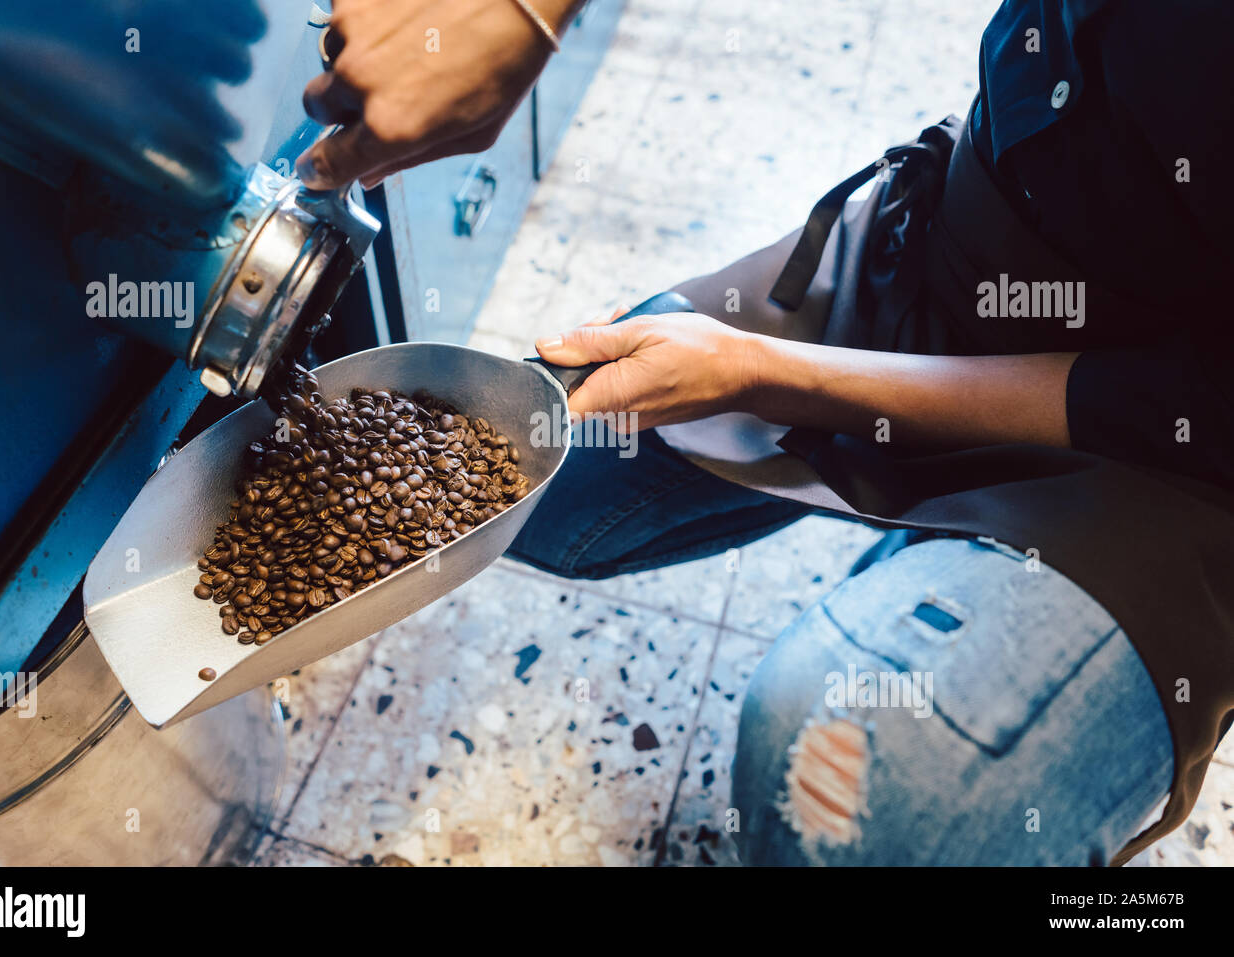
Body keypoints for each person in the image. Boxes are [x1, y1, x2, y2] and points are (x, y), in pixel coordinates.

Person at [303, 0, 1234, 865]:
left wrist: (770, 376)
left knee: (877, 784)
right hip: (971, 245)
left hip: (1173, 461)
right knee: (541, 476)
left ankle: (963, 570)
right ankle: (938, 543)